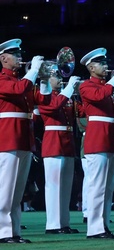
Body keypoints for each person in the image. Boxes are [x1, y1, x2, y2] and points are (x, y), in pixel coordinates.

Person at [78, 48, 114, 240]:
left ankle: (103, 225)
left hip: (111, 139)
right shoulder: (86, 86)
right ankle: (94, 228)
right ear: (91, 67)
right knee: (97, 186)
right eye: (101, 63)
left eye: (105, 62)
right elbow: (100, 96)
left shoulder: (109, 87)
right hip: (97, 140)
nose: (106, 66)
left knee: (108, 187)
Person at [0, 39, 41, 244]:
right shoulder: (2, 80)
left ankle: (14, 231)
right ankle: (3, 232)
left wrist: (40, 78)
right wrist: (33, 70)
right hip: (8, 139)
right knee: (6, 189)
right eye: (15, 55)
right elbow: (18, 90)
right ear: (3, 58)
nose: (19, 57)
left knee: (16, 190)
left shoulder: (20, 80)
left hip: (23, 139)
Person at [36, 69, 82, 234]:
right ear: (47, 80)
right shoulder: (45, 96)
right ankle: (53, 224)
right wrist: (70, 88)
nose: (59, 79)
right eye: (55, 76)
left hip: (67, 142)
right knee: (54, 186)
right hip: (53, 141)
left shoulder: (65, 97)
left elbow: (81, 113)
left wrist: (80, 94)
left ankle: (64, 223)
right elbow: (54, 107)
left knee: (66, 186)